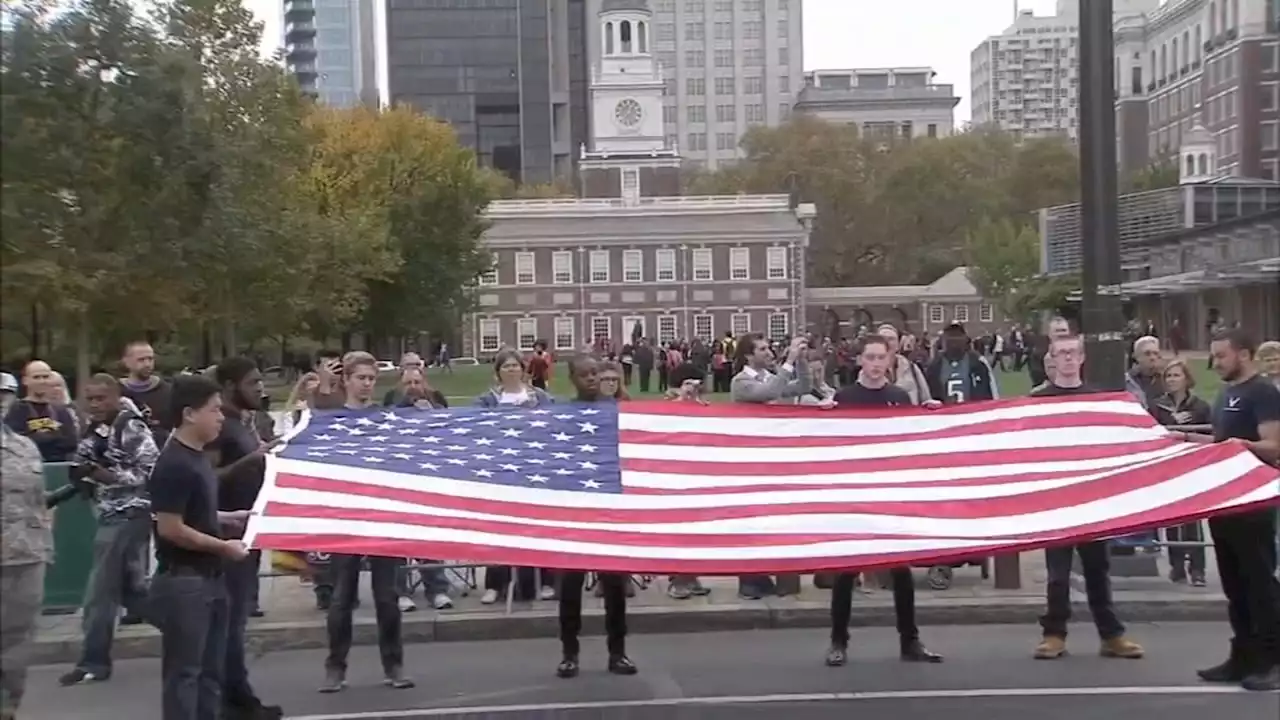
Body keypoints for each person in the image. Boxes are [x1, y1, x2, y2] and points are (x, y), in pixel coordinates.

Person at [1172, 329, 1280, 691]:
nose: (1214, 363)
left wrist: (1243, 445)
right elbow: (1220, 443)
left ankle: (1271, 659)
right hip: (1224, 501)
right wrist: (1185, 439)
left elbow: (1273, 446)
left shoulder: (1263, 393)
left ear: (1244, 355)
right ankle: (1243, 655)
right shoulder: (1226, 392)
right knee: (1234, 585)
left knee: (1260, 583)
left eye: (1221, 356)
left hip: (1252, 502)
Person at [826, 335, 943, 666]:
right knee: (846, 572)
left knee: (901, 572)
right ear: (860, 360)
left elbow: (910, 442)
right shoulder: (844, 398)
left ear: (890, 361)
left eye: (882, 358)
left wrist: (929, 416)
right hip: (855, 495)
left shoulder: (899, 397)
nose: (876, 364)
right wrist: (821, 418)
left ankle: (910, 641)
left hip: (890, 494)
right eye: (871, 357)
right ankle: (838, 641)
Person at [1029, 334, 1145, 661]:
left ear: (1081, 358)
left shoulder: (1098, 400)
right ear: (1051, 359)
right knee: (1057, 574)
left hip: (1092, 500)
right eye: (1060, 353)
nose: (1066, 358)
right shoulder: (1038, 402)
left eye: (1072, 353)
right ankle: (1054, 633)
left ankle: (1111, 635)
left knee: (1097, 569)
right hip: (1057, 499)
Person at [148, 375, 256, 720]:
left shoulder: (198, 459)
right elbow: (171, 528)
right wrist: (223, 547)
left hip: (211, 578)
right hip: (185, 582)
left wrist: (226, 518)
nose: (221, 417)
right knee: (185, 673)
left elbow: (196, 514)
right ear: (189, 414)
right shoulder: (174, 464)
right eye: (213, 410)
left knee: (211, 673)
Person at [320, 352, 414, 693]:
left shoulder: (385, 418)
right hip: (346, 516)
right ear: (347, 379)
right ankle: (335, 667)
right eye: (361, 378)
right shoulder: (332, 419)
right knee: (341, 597)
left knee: (387, 596)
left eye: (372, 379)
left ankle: (394, 665)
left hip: (380, 516)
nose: (367, 384)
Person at [58, 375, 159, 687]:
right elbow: (83, 463)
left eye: (101, 398)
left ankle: (93, 662)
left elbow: (148, 471)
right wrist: (82, 476)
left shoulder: (131, 427)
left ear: (117, 397)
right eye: (89, 398)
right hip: (110, 513)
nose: (95, 404)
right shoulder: (95, 429)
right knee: (132, 592)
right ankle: (195, 632)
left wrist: (102, 475)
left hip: (130, 514)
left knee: (99, 591)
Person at [206, 358, 284, 719]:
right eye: (252, 383)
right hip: (225, 538)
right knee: (229, 623)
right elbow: (206, 480)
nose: (260, 389)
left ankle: (239, 696)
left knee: (235, 621)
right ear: (229, 386)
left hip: (247, 535)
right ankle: (231, 702)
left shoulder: (243, 423)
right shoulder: (221, 427)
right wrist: (250, 460)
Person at [555, 355, 637, 679]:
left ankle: (618, 652)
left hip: (610, 509)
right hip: (576, 510)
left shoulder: (618, 409)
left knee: (615, 586)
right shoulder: (563, 414)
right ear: (572, 379)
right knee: (570, 586)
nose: (591, 378)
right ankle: (569, 653)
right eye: (584, 374)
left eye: (595, 373)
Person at [730, 333, 813, 599]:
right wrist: (788, 360)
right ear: (748, 355)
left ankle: (768, 575)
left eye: (768, 348)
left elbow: (803, 387)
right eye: (762, 349)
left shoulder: (769, 375)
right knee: (752, 521)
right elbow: (771, 393)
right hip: (750, 459)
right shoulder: (740, 382)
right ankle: (749, 580)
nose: (768, 353)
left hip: (773, 455)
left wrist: (800, 360)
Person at [473, 350, 557, 603]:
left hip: (534, 468)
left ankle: (546, 581)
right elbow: (476, 426)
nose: (511, 370)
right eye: (506, 366)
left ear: (523, 369)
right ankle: (495, 584)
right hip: (501, 469)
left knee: (539, 525)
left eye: (515, 366)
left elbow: (554, 425)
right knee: (500, 527)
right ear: (497, 371)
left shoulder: (540, 397)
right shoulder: (487, 399)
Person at [0, 371, 53, 719]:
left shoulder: (24, 446)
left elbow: (38, 501)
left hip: (26, 556)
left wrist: (47, 546)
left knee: (17, 644)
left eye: (6, 394)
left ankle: (7, 706)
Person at [1150, 359, 1212, 587]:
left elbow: (1213, 433)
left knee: (1193, 519)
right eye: (1168, 376)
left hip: (1193, 466)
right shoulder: (1157, 406)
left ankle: (1197, 569)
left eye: (1176, 375)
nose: (1172, 380)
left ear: (1186, 378)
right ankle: (1176, 566)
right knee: (1172, 518)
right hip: (1168, 466)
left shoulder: (1200, 406)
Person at [3, 359, 79, 462]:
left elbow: (71, 442)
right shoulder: (16, 410)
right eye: (36, 377)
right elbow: (16, 444)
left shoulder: (61, 410)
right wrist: (54, 436)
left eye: (45, 377)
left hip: (57, 466)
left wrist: (39, 437)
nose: (42, 381)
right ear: (25, 380)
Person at [923, 323, 995, 405]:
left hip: (973, 414)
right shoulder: (934, 365)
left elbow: (992, 392)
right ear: (942, 340)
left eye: (958, 335)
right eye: (950, 335)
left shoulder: (978, 362)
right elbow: (927, 397)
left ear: (965, 339)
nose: (954, 339)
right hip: (944, 415)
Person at [120, 341, 174, 446]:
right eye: (141, 360)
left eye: (150, 359)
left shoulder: (168, 391)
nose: (147, 364)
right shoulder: (118, 391)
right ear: (126, 362)